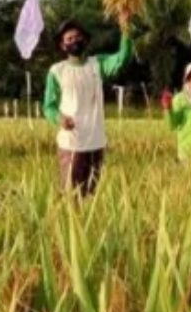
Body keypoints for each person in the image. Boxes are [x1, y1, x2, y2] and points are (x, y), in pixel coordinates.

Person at [42, 19, 132, 195]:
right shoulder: (57, 71)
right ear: (62, 45)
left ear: (84, 40)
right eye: (69, 39)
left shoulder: (97, 64)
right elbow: (49, 106)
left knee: (90, 195)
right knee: (70, 196)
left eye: (77, 37)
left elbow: (122, 59)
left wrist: (125, 28)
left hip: (96, 142)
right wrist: (59, 119)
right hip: (71, 143)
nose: (74, 41)